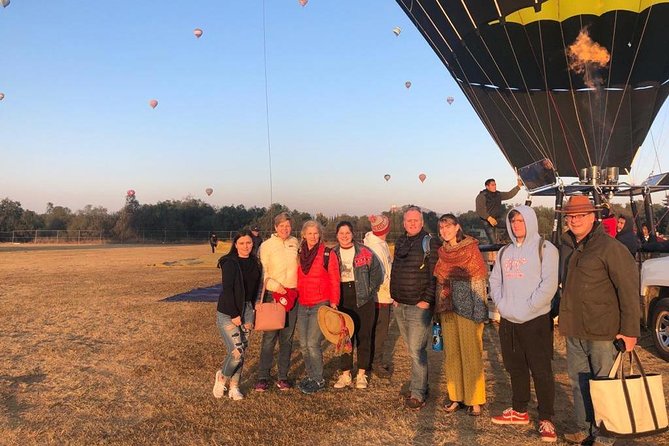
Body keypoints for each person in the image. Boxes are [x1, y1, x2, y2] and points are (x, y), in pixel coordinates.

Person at [558, 196, 640, 446]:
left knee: (604, 386)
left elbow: (628, 290)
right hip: (575, 329)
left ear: (593, 217)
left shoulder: (611, 248)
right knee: (578, 383)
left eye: (581, 215)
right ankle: (585, 429)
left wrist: (629, 331)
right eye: (571, 216)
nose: (574, 220)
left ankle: (605, 435)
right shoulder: (569, 246)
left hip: (603, 332)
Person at [488, 206, 559, 442]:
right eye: (513, 221)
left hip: (535, 319)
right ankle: (519, 410)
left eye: (521, 220)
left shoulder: (546, 249)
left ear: (530, 221)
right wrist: (502, 304)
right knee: (514, 367)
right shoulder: (504, 252)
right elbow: (494, 280)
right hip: (508, 319)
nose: (517, 225)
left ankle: (546, 418)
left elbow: (548, 286)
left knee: (541, 371)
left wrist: (528, 308)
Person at [433, 214, 489, 417]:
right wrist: (437, 310)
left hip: (468, 309)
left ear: (457, 227)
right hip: (447, 309)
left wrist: (480, 312)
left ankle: (475, 400)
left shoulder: (470, 249)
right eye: (441, 228)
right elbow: (439, 282)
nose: (444, 231)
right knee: (453, 355)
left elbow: (479, 280)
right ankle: (456, 396)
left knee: (471, 353)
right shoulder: (442, 253)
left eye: (448, 227)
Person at [390, 206, 441, 410]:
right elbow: (396, 269)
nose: (412, 223)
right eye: (408, 220)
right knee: (411, 349)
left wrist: (426, 300)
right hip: (400, 304)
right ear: (403, 223)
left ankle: (418, 393)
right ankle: (420, 386)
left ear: (421, 222)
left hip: (418, 307)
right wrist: (394, 297)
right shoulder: (401, 241)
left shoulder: (429, 242)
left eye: (416, 220)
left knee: (415, 350)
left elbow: (435, 275)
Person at [332, 221, 383, 389]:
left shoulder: (365, 251)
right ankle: (345, 374)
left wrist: (369, 290)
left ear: (353, 234)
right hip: (342, 297)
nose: (345, 236)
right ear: (337, 235)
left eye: (348, 233)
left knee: (364, 335)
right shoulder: (332, 253)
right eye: (341, 233)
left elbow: (377, 272)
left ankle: (362, 373)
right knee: (344, 336)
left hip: (363, 298)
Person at [212, 230, 261, 401]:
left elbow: (255, 288)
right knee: (236, 352)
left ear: (252, 244)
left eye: (248, 243)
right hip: (229, 310)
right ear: (235, 245)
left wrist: (252, 309)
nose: (245, 246)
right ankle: (222, 377)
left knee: (243, 351)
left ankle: (234, 387)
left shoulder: (256, 263)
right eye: (241, 243)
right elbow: (228, 290)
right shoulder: (229, 263)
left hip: (247, 309)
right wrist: (234, 314)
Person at [255, 212, 299, 392]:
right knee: (269, 338)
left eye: (287, 226)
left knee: (287, 339)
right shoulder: (266, 246)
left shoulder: (295, 243)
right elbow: (263, 272)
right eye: (281, 226)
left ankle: (282, 376)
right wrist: (275, 286)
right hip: (274, 294)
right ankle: (263, 376)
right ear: (275, 227)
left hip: (292, 296)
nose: (284, 229)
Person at [296, 220, 341, 394]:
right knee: (304, 344)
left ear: (320, 235)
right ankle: (310, 375)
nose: (313, 237)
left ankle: (318, 379)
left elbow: (334, 279)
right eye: (310, 233)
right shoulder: (300, 254)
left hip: (320, 303)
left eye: (316, 233)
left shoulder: (328, 254)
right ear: (304, 235)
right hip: (302, 303)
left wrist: (334, 302)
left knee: (313, 343)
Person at [363, 214, 395, 379]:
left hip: (372, 296)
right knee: (380, 332)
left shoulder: (370, 242)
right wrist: (392, 292)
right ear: (386, 228)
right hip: (381, 296)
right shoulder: (378, 248)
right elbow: (382, 275)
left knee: (372, 330)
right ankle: (376, 362)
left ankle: (368, 361)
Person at [475, 177, 522, 244]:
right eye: (492, 185)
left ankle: (502, 239)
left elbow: (509, 194)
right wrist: (489, 218)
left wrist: (518, 186)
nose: (494, 186)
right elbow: (480, 210)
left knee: (510, 225)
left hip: (497, 219)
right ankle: (494, 250)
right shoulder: (481, 196)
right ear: (487, 186)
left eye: (495, 184)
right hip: (487, 221)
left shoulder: (498, 194)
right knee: (494, 243)